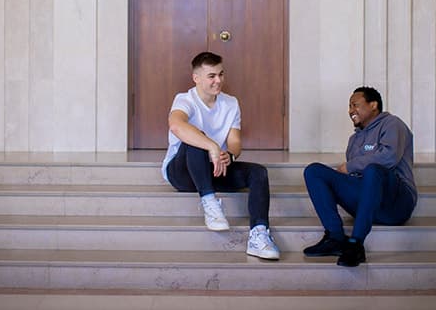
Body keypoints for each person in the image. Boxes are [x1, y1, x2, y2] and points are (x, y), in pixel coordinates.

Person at [161, 51, 280, 260]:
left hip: (214, 168)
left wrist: (229, 155)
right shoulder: (184, 99)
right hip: (182, 173)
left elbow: (235, 142)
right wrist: (212, 146)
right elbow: (176, 126)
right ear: (196, 78)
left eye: (221, 74)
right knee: (196, 138)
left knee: (258, 172)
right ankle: (209, 202)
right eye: (212, 76)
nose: (218, 80)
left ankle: (259, 235)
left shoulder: (231, 103)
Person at [302, 86, 417, 267]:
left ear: (373, 105)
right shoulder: (354, 140)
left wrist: (350, 166)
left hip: (396, 203)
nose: (350, 111)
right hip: (368, 201)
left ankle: (356, 244)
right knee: (314, 171)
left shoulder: (392, 124)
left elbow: (389, 157)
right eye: (349, 106)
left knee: (373, 170)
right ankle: (335, 237)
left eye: (355, 105)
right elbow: (355, 176)